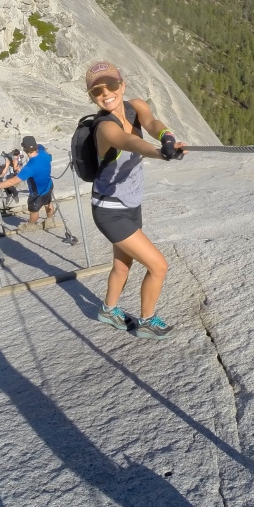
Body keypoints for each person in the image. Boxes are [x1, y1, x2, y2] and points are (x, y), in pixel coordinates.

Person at [84, 60, 187, 340]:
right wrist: (159, 152)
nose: (106, 93)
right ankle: (146, 321)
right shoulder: (104, 127)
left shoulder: (135, 105)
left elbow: (151, 123)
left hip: (129, 204)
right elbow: (129, 142)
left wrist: (166, 137)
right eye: (97, 91)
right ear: (92, 96)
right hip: (110, 210)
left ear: (123, 84)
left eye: (112, 85)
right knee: (158, 265)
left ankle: (108, 310)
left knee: (122, 264)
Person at [0, 135, 54, 227]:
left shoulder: (29, 168)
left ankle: (30, 225)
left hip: (37, 193)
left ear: (24, 149)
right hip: (48, 185)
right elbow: (41, 147)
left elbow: (12, 182)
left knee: (33, 210)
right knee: (48, 203)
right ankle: (49, 220)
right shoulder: (44, 153)